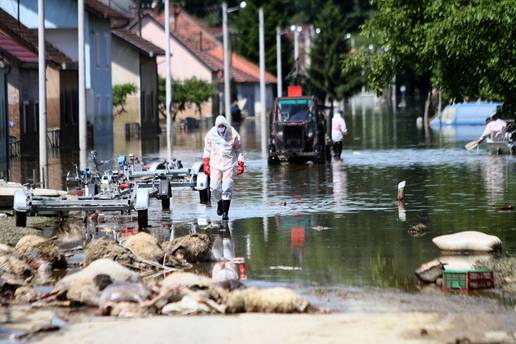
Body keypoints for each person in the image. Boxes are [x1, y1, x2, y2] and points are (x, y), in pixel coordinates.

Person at [203, 115, 245, 220]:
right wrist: (206, 163)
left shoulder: (233, 133)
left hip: (228, 165)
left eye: (223, 125)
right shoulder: (211, 134)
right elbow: (207, 149)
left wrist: (241, 163)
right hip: (215, 165)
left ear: (226, 125)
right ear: (216, 126)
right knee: (214, 188)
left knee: (227, 188)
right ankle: (219, 202)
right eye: (219, 126)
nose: (221, 127)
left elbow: (239, 150)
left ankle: (225, 214)